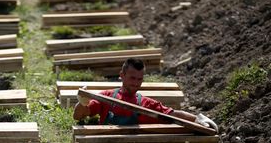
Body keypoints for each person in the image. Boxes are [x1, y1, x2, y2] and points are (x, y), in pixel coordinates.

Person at [73, 58, 218, 132]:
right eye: (132, 78)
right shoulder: (107, 97)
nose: (136, 83)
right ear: (121, 75)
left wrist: (198, 119)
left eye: (139, 79)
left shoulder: (147, 104)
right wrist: (83, 102)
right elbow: (78, 116)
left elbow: (173, 115)